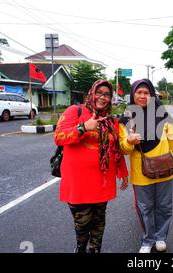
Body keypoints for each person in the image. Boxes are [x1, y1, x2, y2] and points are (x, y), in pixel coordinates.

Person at [119, 79, 173, 253]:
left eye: (147, 93)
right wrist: (129, 142)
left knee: (164, 206)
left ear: (152, 95)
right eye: (139, 92)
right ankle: (147, 240)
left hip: (164, 170)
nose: (143, 96)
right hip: (141, 172)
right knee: (145, 208)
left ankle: (160, 237)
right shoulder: (125, 119)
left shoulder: (163, 116)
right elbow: (123, 148)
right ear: (133, 94)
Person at [54, 80, 129, 253]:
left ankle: (95, 250)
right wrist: (83, 127)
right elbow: (59, 137)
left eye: (107, 94)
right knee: (82, 223)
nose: (103, 97)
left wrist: (123, 172)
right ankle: (80, 248)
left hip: (103, 180)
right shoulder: (75, 111)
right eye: (99, 93)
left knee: (99, 222)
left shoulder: (111, 121)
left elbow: (115, 149)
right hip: (78, 182)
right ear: (92, 93)